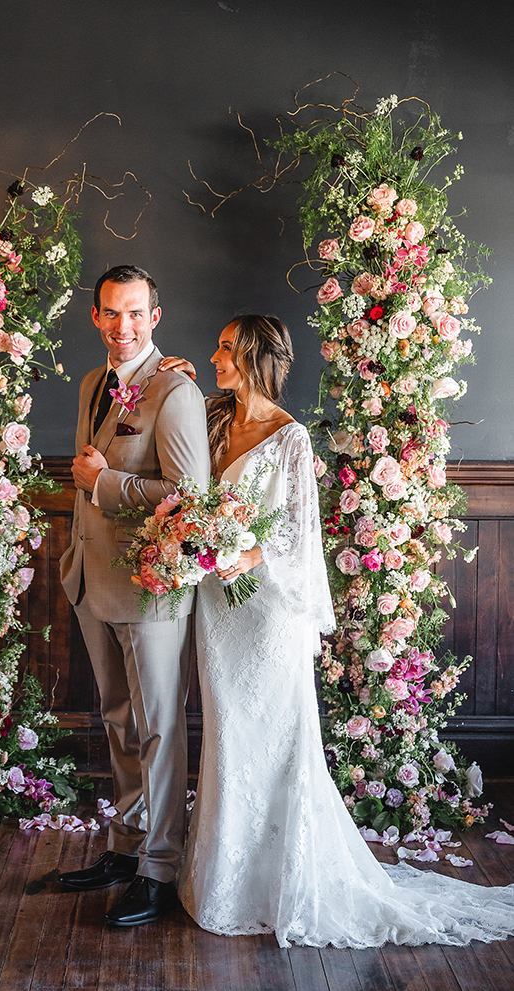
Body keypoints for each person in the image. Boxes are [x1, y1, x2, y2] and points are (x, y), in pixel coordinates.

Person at [161, 314, 514, 949]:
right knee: (229, 734)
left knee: (275, 738)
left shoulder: (290, 438)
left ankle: (285, 881)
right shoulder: (213, 420)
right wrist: (181, 381)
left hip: (267, 609)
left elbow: (299, 533)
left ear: (255, 356)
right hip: (218, 607)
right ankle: (226, 880)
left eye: (225, 348)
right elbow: (194, 490)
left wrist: (245, 554)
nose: (214, 356)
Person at [58, 265, 210, 927]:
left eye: (136, 313)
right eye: (112, 313)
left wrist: (105, 483)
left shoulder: (176, 390)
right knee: (119, 722)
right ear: (96, 316)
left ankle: (160, 869)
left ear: (155, 316)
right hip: (92, 578)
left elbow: (191, 496)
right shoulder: (92, 383)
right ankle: (126, 847)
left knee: (158, 729)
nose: (124, 326)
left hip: (151, 592)